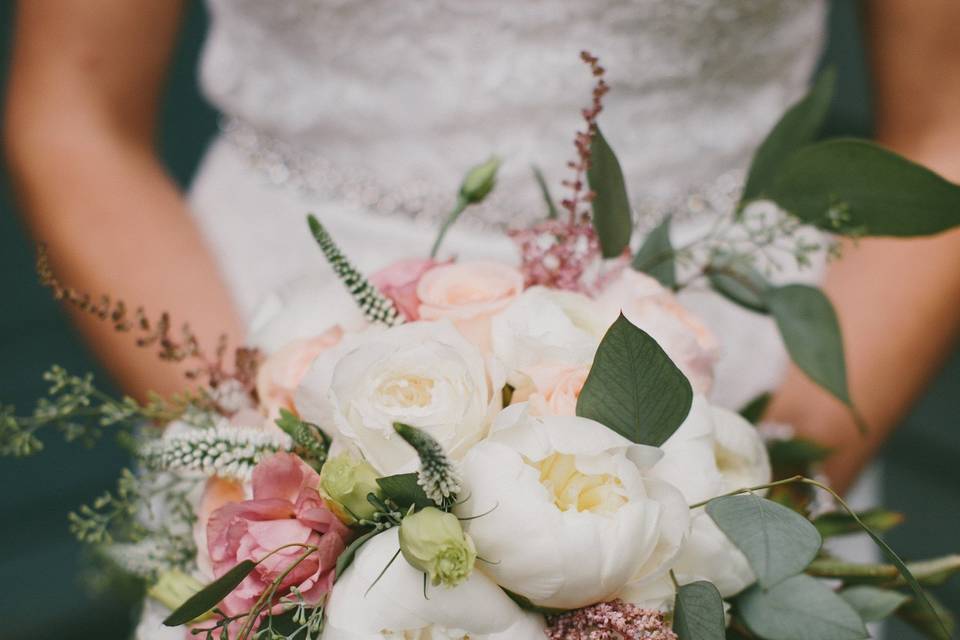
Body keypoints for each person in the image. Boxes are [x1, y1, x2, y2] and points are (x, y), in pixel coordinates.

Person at [5, 0, 960, 498]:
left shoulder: (762, 467)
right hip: (260, 358)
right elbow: (75, 115)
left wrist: (757, 497)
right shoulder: (270, 445)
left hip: (746, 388)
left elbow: (944, 126)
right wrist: (291, 487)